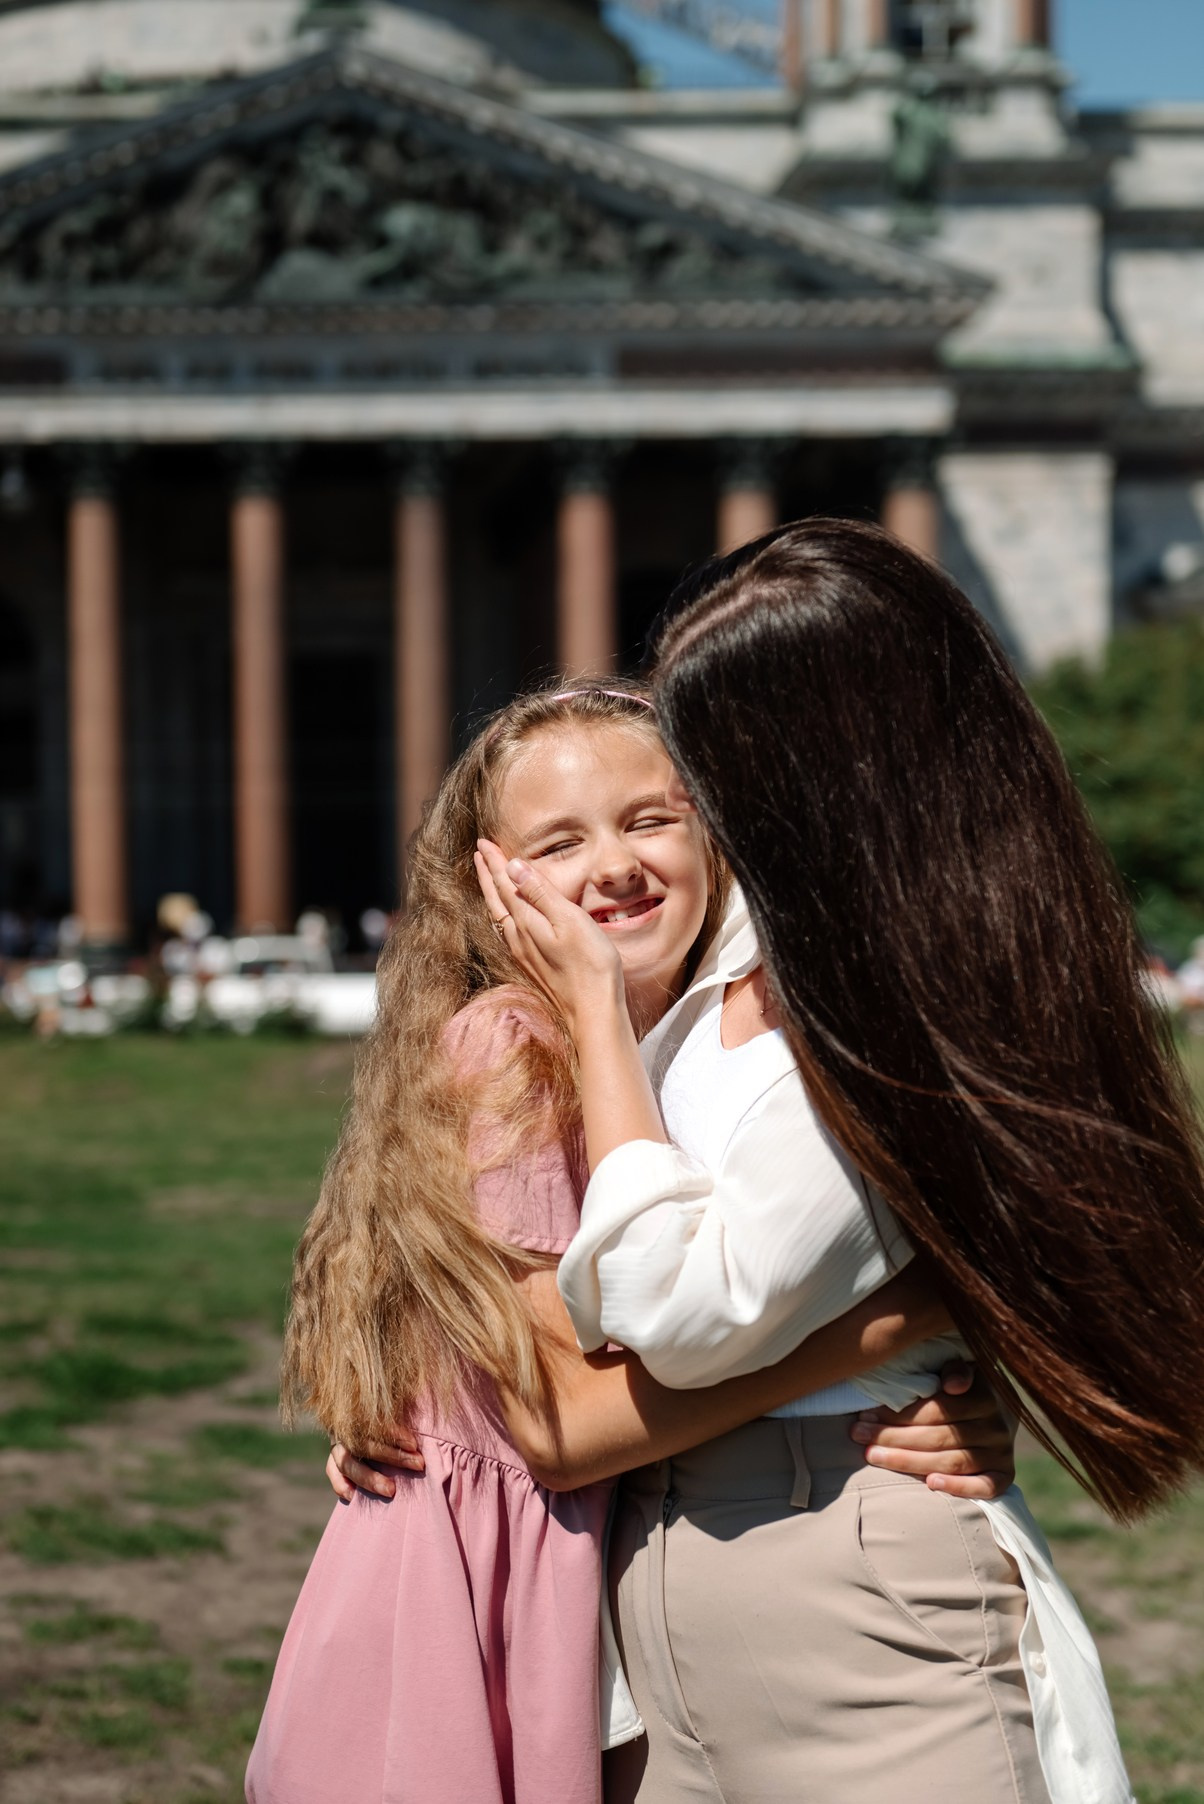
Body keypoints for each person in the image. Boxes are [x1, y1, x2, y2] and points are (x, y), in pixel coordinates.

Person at [479, 519, 1204, 1804]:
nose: (687, 795)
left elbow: (683, 1316)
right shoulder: (737, 949)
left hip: (854, 1590)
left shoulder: (891, 1000)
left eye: (707, 756)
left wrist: (595, 1013)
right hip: (660, 1593)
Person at [246, 683, 1010, 1804]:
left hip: (586, 1575)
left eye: (651, 818)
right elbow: (561, 1428)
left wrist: (945, 1392)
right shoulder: (517, 1047)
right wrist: (896, 1318)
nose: (614, 865)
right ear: (492, 879)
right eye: (560, 841)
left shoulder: (664, 1049)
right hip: (484, 1600)